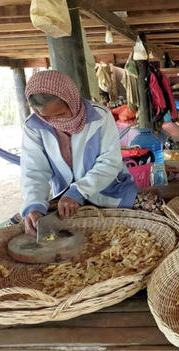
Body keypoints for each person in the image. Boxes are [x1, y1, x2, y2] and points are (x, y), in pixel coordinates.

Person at [21, 70, 138, 235]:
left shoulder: (100, 116)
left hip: (110, 191)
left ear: (71, 100)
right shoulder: (34, 126)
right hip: (64, 201)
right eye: (47, 117)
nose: (56, 122)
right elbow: (34, 171)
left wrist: (79, 191)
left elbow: (110, 162)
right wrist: (34, 204)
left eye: (61, 114)